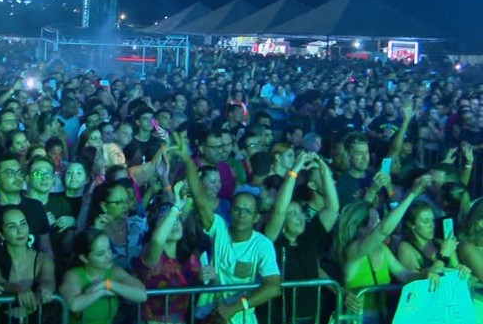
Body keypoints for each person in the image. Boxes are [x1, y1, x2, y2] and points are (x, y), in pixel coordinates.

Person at [175, 132, 280, 324]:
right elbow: (199, 198)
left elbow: (273, 286)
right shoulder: (219, 228)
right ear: (230, 211)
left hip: (242, 318)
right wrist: (188, 160)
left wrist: (235, 308)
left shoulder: (262, 244)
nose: (241, 215)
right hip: (208, 315)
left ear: (256, 217)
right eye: (237, 209)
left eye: (247, 212)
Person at [334, 176, 441, 324]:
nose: (380, 224)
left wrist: (424, 274)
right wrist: (411, 194)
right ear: (361, 227)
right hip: (358, 318)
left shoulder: (382, 249)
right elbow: (383, 231)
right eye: (375, 222)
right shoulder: (352, 251)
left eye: (379, 220)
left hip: (382, 316)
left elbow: (403, 274)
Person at [262, 152, 339, 324]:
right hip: (279, 318)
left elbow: (332, 208)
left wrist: (324, 168)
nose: (299, 217)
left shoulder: (308, 236)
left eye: (300, 212)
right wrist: (295, 169)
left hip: (311, 318)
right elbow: (279, 210)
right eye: (293, 214)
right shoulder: (274, 240)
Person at [136, 191, 209, 324]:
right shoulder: (151, 255)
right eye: (166, 220)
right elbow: (158, 240)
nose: (175, 223)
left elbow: (209, 286)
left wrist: (212, 277)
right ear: (155, 229)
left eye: (178, 219)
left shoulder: (190, 259)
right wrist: (176, 208)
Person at [0, 205, 56, 322]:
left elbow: (47, 280)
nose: (20, 230)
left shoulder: (43, 259)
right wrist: (19, 289)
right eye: (12, 226)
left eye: (23, 224)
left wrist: (45, 289)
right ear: (1, 234)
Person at [59, 229, 147, 324]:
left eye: (109, 250)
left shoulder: (114, 271)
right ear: (84, 258)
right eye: (100, 254)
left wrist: (107, 284)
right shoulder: (73, 275)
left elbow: (142, 295)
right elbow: (74, 304)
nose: (108, 256)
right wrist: (101, 292)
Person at [83, 180, 147, 270]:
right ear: (104, 206)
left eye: (127, 200)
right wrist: (96, 234)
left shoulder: (139, 224)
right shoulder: (94, 233)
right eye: (119, 202)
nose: (126, 206)